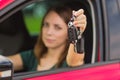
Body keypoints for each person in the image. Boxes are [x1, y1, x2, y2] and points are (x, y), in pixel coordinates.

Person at [8, 5, 87, 72]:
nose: (48, 32)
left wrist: (77, 34)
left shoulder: (69, 61)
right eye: (46, 25)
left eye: (57, 27)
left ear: (68, 34)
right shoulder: (33, 56)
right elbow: (4, 63)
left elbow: (75, 62)